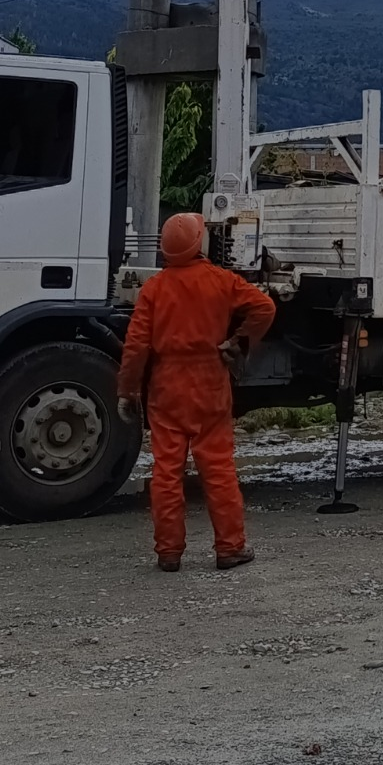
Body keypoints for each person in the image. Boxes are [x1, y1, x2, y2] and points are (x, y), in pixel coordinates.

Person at [117, 212, 275, 573]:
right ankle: (230, 548)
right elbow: (265, 307)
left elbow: (136, 346)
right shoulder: (221, 280)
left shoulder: (154, 288)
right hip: (210, 382)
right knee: (217, 467)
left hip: (166, 387)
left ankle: (169, 552)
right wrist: (238, 342)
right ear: (199, 242)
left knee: (166, 471)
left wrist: (128, 390)